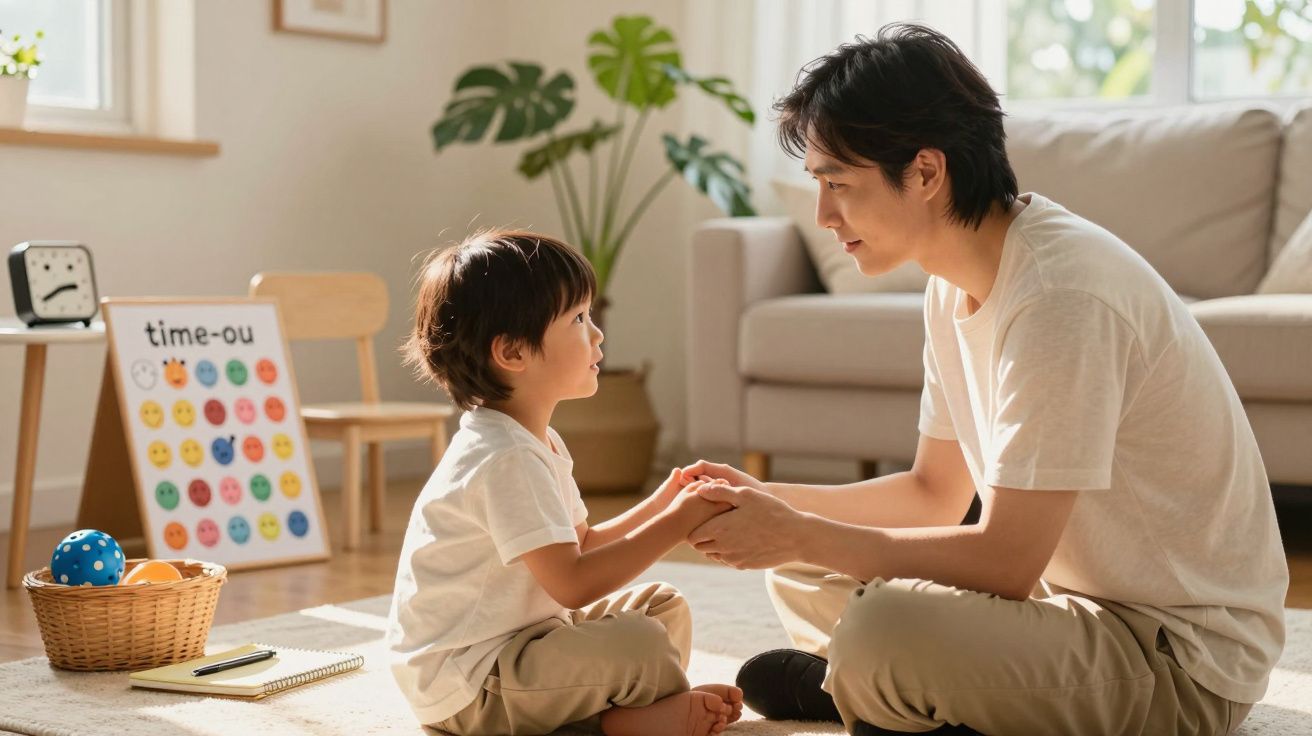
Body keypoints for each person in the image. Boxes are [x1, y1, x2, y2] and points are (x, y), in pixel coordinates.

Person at [681, 23, 1288, 736]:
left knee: (877, 618)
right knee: (804, 565)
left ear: (927, 172)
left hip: (1178, 662)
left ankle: (881, 682)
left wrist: (803, 531)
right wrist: (759, 501)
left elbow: (1004, 560)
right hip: (1074, 613)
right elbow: (934, 494)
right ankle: (889, 687)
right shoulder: (956, 280)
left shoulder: (1061, 295)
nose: (823, 216)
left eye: (838, 184)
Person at [389, 229, 743, 735]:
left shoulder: (536, 441)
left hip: (523, 644)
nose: (597, 335)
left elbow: (580, 546)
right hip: (470, 686)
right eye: (578, 320)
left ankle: (627, 715)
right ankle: (616, 724)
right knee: (639, 641)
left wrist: (666, 502)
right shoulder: (504, 457)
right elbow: (574, 584)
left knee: (660, 606)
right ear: (513, 352)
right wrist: (679, 522)